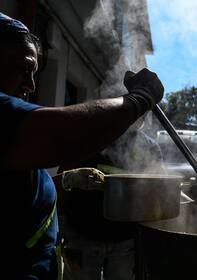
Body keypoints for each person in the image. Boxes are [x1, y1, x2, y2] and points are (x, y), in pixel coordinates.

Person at [0, 12, 163, 279]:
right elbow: (66, 136)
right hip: (83, 237)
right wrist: (139, 99)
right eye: (22, 69)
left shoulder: (146, 145)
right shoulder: (92, 132)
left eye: (34, 73)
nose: (30, 85)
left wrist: (62, 181)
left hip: (121, 242)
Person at [59, 122, 165, 280]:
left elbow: (157, 190)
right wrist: (60, 223)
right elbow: (63, 178)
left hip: (124, 240)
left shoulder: (150, 148)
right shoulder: (90, 137)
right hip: (82, 235)